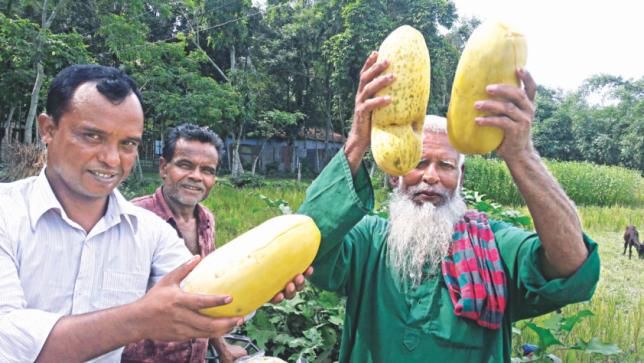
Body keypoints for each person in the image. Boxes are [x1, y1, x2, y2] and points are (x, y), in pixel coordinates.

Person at [297, 52, 600, 362]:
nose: (431, 176)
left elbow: (572, 268)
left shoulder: (493, 246)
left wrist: (521, 154)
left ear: (460, 176)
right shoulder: (368, 243)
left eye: (445, 165)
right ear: (393, 174)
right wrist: (358, 141)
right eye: (418, 162)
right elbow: (305, 247)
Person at [0, 65, 306, 363]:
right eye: (92, 136)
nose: (110, 159)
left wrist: (270, 275)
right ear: (48, 129)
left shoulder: (149, 233)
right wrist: (137, 320)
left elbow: (208, 296)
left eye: (128, 144)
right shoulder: (6, 213)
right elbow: (8, 344)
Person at [122, 124, 313, 362]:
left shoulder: (206, 220)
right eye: (185, 165)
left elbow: (209, 293)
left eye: (207, 170)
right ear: (164, 167)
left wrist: (222, 350)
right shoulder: (133, 219)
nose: (196, 176)